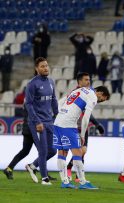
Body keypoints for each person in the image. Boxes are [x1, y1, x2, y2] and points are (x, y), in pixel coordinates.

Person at [54, 85, 110, 189]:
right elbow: (86, 118)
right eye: (102, 99)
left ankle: (65, 182)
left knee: (62, 152)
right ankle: (83, 182)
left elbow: (60, 102)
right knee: (78, 152)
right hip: (69, 124)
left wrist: (62, 114)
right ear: (100, 93)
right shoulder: (92, 96)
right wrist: (82, 135)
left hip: (58, 121)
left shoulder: (80, 90)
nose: (100, 101)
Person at [64, 72, 105, 182]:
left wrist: (96, 124)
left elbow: (88, 112)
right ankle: (68, 172)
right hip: (73, 125)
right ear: (79, 81)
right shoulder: (75, 93)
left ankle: (77, 175)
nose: (88, 82)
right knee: (72, 150)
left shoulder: (88, 92)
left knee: (83, 151)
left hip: (84, 126)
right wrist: (97, 124)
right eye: (86, 80)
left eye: (89, 80)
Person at [24, 57, 58, 185]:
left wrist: (57, 116)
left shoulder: (51, 82)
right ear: (37, 69)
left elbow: (54, 100)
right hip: (37, 122)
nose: (45, 68)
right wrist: (37, 121)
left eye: (46, 66)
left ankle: (32, 166)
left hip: (49, 121)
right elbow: (29, 104)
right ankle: (45, 179)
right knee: (43, 151)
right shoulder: (32, 84)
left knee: (52, 151)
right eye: (42, 66)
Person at [3, 106, 34, 179]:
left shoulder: (28, 99)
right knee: (44, 152)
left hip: (26, 129)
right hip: (33, 129)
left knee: (25, 151)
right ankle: (36, 169)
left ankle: (9, 168)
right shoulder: (35, 99)